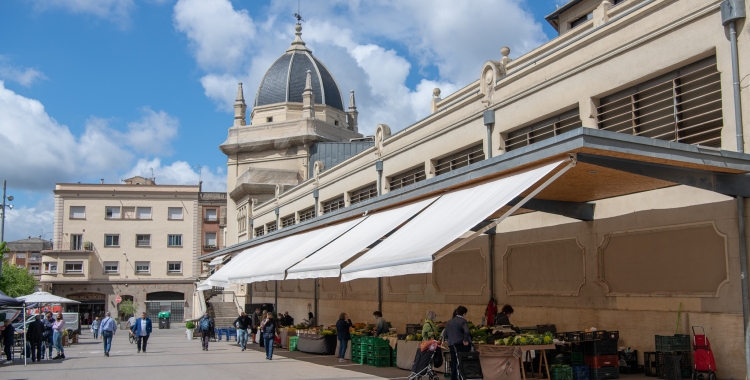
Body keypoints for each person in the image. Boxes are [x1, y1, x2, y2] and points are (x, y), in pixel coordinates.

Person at [445, 306, 471, 379]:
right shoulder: (463, 321)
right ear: (464, 313)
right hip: (460, 345)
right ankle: (461, 377)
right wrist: (465, 340)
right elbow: (467, 331)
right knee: (462, 362)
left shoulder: (449, 321)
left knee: (454, 362)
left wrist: (451, 339)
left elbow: (445, 334)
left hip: (451, 345)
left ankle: (453, 378)